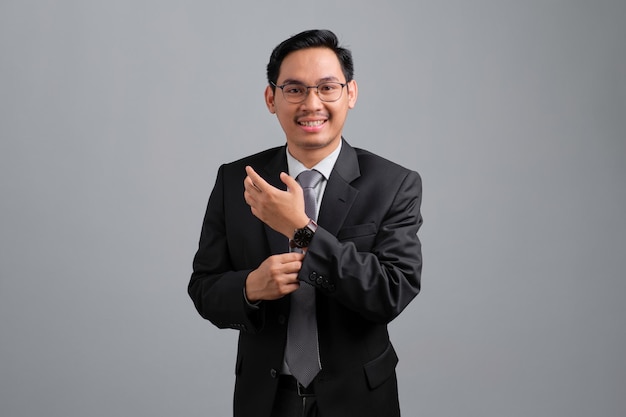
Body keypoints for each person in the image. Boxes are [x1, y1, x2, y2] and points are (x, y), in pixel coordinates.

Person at [189, 29, 423, 417]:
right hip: (265, 399)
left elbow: (390, 292)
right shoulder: (236, 180)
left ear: (350, 94)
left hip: (359, 400)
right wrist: (250, 287)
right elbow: (203, 287)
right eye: (294, 90)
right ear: (271, 98)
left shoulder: (393, 184)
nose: (311, 103)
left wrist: (302, 230)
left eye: (327, 87)